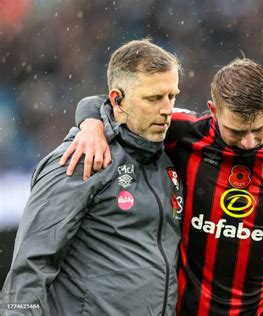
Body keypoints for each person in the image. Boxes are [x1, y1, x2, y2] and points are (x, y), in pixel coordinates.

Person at [62, 57, 263, 315]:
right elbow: (106, 103)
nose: (249, 143)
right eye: (237, 131)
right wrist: (91, 124)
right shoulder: (183, 132)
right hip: (188, 308)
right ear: (213, 110)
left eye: (258, 130)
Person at [1, 39, 183, 315]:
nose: (168, 109)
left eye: (172, 96)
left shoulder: (171, 152)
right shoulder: (79, 159)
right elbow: (30, 266)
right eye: (154, 98)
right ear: (117, 99)